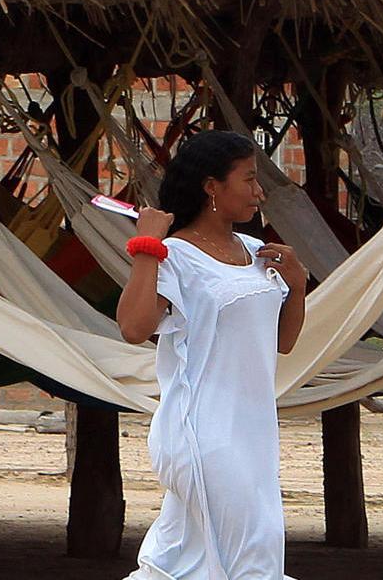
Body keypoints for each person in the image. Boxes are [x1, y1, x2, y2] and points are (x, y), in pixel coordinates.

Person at [117, 130, 308, 579]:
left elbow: (282, 342)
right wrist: (147, 247)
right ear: (212, 187)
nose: (259, 192)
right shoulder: (175, 255)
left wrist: (298, 287)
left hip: (254, 432)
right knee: (253, 555)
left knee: (191, 556)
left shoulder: (257, 253)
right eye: (249, 179)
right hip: (203, 430)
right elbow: (133, 328)